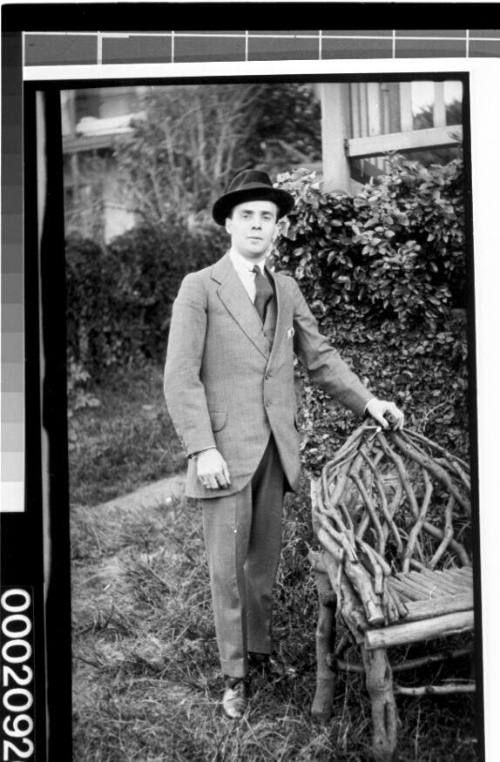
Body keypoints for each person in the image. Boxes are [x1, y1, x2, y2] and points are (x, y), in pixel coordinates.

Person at [163, 169, 404, 719]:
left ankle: (260, 653)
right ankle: (233, 676)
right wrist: (203, 448)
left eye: (266, 217)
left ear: (278, 228)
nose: (256, 225)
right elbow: (180, 377)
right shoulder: (199, 287)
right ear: (228, 223)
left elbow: (319, 359)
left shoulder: (286, 287)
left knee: (261, 567)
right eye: (246, 215)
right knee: (226, 569)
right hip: (222, 453)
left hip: (275, 449)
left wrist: (370, 403)